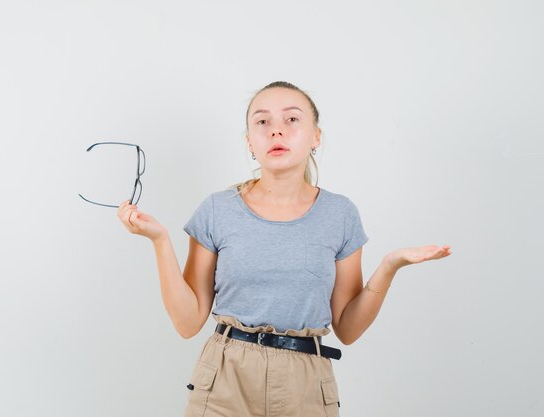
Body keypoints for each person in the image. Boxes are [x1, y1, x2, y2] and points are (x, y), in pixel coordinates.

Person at [117, 81, 452, 417]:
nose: (276, 131)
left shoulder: (340, 214)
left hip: (306, 384)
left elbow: (348, 329)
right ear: (250, 141)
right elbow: (187, 323)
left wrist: (390, 266)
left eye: (292, 120)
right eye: (262, 122)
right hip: (224, 381)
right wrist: (159, 241)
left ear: (316, 137)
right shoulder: (217, 210)